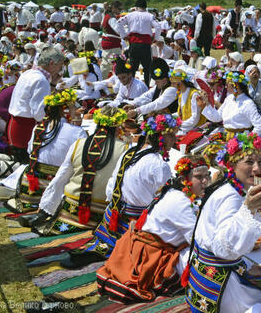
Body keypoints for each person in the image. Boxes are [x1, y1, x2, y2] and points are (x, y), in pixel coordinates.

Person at [184, 132, 261, 313]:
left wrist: (247, 267)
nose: (257, 168)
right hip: (221, 287)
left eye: (260, 162)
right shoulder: (230, 197)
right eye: (249, 162)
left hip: (203, 280)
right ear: (232, 164)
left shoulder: (225, 186)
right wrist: (249, 209)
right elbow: (224, 248)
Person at [62, 114, 180, 269]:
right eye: (171, 136)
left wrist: (114, 207)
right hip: (134, 220)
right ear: (161, 138)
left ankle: (101, 247)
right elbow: (161, 202)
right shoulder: (159, 165)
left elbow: (112, 185)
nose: (174, 140)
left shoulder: (130, 153)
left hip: (113, 215)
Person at [97, 155, 210, 303]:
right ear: (184, 179)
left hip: (154, 248)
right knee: (208, 264)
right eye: (198, 177)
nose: (205, 182)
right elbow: (199, 241)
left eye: (207, 176)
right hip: (152, 257)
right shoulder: (180, 202)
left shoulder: (179, 193)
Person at [0, 89, 87, 211]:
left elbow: (30, 151)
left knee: (23, 167)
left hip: (34, 183)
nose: (76, 111)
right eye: (73, 108)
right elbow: (83, 159)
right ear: (64, 110)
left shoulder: (38, 128)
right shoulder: (77, 132)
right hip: (58, 184)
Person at [8, 47, 64, 157]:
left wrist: (52, 84)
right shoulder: (40, 80)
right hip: (26, 128)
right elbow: (39, 114)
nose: (61, 69)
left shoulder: (28, 73)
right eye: (60, 65)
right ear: (52, 63)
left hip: (15, 125)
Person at [203, 71, 261, 138]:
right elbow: (217, 117)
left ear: (236, 86)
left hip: (240, 139)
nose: (226, 87)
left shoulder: (248, 103)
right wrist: (207, 103)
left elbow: (260, 127)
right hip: (226, 135)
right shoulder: (229, 98)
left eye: (227, 84)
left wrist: (246, 140)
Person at [116, 0, 161, 85]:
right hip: (145, 44)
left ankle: (131, 86)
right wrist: (155, 39)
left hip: (134, 44)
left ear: (136, 7)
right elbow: (158, 27)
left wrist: (124, 36)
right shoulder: (150, 16)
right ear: (145, 7)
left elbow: (119, 23)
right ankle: (147, 86)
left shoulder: (130, 15)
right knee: (147, 68)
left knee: (132, 67)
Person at [100, 1, 124, 78]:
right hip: (112, 45)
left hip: (108, 44)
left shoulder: (107, 15)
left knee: (106, 64)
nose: (120, 11)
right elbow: (118, 30)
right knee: (115, 63)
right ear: (114, 8)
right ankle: (116, 81)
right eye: (119, 9)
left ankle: (101, 80)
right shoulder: (111, 18)